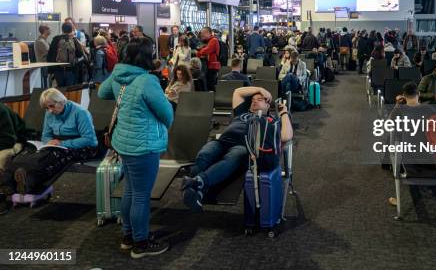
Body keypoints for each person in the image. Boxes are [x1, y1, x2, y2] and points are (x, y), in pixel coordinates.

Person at [98, 38, 174, 258]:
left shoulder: (117, 75)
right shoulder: (147, 80)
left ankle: (128, 236)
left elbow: (103, 93)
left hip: (123, 143)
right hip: (144, 145)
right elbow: (166, 114)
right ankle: (140, 244)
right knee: (141, 195)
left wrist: (119, 84)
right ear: (146, 57)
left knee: (131, 190)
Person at [181, 86, 293, 211]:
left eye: (260, 99)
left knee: (236, 155)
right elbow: (237, 92)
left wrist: (283, 112)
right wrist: (261, 89)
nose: (254, 101)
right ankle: (197, 192)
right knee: (205, 153)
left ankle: (196, 183)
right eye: (253, 100)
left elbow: (286, 136)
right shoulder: (242, 112)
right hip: (222, 142)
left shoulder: (269, 121)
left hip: (242, 146)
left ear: (268, 106)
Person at [0, 88, 98, 214]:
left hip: (83, 146)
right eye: (47, 108)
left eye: (52, 106)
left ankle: (25, 183)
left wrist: (63, 143)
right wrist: (48, 142)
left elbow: (90, 140)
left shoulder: (80, 112)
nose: (50, 110)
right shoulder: (50, 113)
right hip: (57, 144)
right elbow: (46, 135)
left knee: (53, 158)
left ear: (61, 101)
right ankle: (9, 181)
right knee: (29, 151)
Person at [47, 22, 86, 87]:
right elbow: (80, 54)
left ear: (62, 30)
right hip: (71, 70)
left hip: (58, 70)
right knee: (70, 90)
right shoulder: (73, 39)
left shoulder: (56, 39)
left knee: (60, 89)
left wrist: (51, 70)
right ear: (71, 30)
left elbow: (51, 55)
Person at [197, 27, 221, 92]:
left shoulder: (214, 40)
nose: (201, 35)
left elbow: (205, 51)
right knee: (207, 85)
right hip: (209, 66)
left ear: (208, 33)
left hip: (212, 67)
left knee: (210, 85)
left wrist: (199, 53)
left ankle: (211, 100)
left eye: (202, 34)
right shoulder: (208, 41)